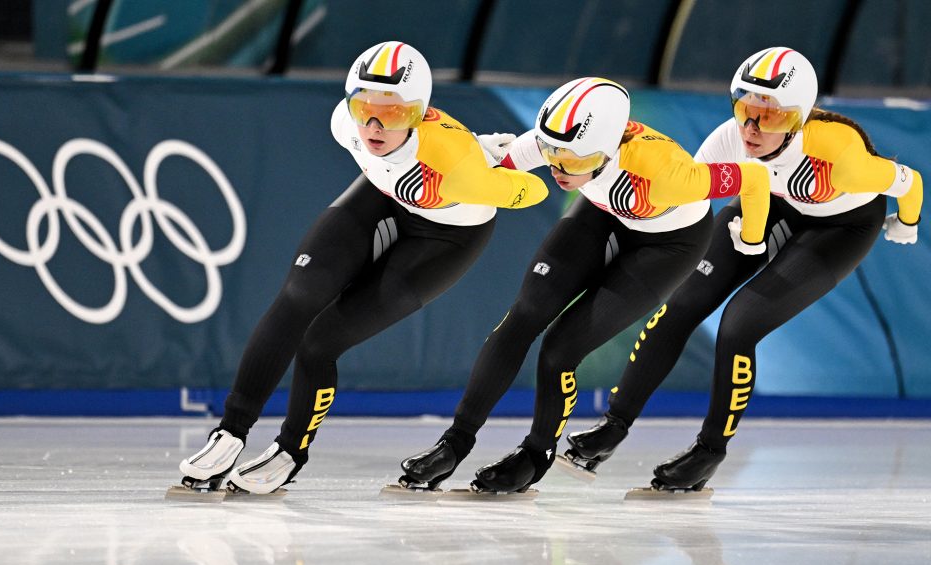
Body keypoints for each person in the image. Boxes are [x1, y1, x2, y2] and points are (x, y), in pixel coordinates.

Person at [176, 41, 548, 495]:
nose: (372, 124)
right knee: (298, 296)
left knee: (320, 343)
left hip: (447, 237)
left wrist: (486, 172)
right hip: (379, 197)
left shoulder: (455, 164)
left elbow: (533, 192)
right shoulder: (343, 124)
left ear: (417, 114)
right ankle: (230, 433)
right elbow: (370, 132)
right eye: (363, 108)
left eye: (390, 114)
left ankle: (290, 451)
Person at [562, 47, 924, 492]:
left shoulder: (841, 158)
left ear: (797, 119)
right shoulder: (727, 140)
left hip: (841, 227)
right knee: (681, 303)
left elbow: (910, 182)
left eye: (768, 117)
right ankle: (613, 427)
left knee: (739, 325)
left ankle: (709, 451)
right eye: (744, 110)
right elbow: (688, 204)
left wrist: (906, 225)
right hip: (766, 202)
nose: (751, 128)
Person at [396, 76, 772, 494]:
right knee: (523, 316)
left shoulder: (669, 172)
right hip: (600, 212)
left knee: (561, 348)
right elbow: (489, 172)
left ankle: (536, 454)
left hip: (669, 245)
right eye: (551, 154)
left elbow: (754, 180)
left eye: (572, 161)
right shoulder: (555, 143)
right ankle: (454, 443)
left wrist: (751, 241)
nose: (558, 169)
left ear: (608, 149)